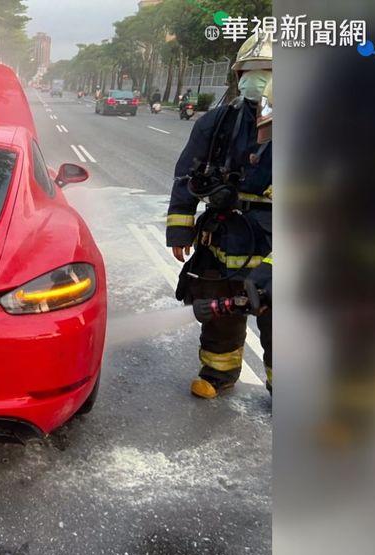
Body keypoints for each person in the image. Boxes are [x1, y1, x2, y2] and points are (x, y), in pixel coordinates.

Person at [165, 31, 273, 399]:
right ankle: (218, 373)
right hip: (223, 235)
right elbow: (187, 176)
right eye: (249, 70)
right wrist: (180, 230)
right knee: (219, 308)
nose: (256, 79)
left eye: (269, 70)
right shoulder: (218, 123)